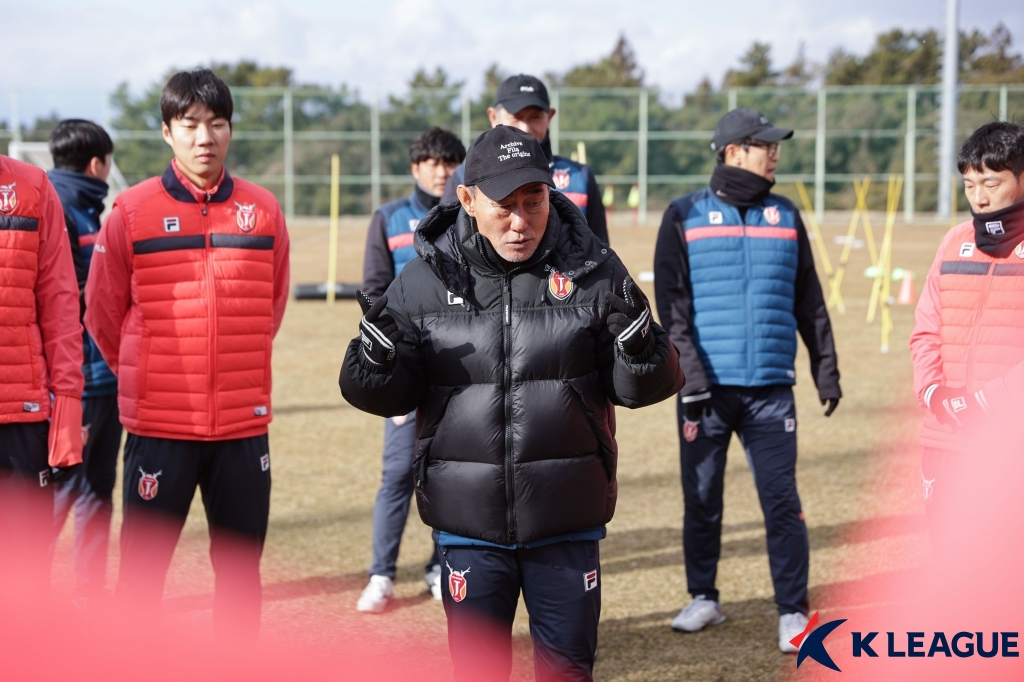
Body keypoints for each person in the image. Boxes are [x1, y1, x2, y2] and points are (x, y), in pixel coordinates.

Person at [340, 125, 683, 682]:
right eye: (504, 206)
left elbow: (640, 388)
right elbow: (387, 396)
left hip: (566, 520)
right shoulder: (422, 281)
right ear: (468, 200)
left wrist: (643, 349)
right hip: (468, 527)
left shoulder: (596, 271)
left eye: (534, 201)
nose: (520, 221)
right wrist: (374, 364)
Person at [85, 69, 290, 636]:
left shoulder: (264, 210)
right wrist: (146, 372)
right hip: (160, 427)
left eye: (217, 124)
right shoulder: (130, 211)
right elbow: (101, 313)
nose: (205, 138)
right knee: (141, 579)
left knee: (241, 577)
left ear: (231, 130)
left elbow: (269, 307)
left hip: (242, 428)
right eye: (190, 124)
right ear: (167, 132)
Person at [653, 108, 841, 652]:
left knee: (782, 500)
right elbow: (672, 305)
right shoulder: (683, 214)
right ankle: (704, 597)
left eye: (776, 145)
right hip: (704, 392)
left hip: (771, 392)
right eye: (766, 145)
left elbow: (810, 299)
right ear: (734, 151)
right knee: (702, 498)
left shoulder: (786, 214)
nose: (775, 153)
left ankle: (792, 611)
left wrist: (825, 369)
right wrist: (690, 376)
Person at [357, 127, 466, 612]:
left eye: (449, 162)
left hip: (459, 370)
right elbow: (374, 297)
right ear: (415, 167)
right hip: (407, 370)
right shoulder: (388, 218)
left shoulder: (467, 214)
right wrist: (394, 378)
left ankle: (440, 567)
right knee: (399, 473)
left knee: (451, 474)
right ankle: (381, 575)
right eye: (432, 162)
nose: (441, 171)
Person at [909, 122, 1024, 550]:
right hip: (946, 437)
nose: (979, 197)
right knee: (950, 563)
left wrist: (986, 401)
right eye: (969, 184)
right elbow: (925, 329)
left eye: (992, 183)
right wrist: (933, 391)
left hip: (1010, 442)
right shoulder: (954, 241)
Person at [0, 152, 84, 589]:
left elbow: (60, 301)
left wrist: (67, 402)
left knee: (26, 579)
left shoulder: (32, 186)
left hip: (20, 413)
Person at [47, 119, 122, 608]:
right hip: (77, 379)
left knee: (96, 484)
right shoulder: (60, 211)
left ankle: (89, 595)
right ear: (97, 164)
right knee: (65, 486)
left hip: (101, 376)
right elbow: (61, 296)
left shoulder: (88, 210)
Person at [441, 74, 608, 244]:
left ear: (549, 117)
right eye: (516, 117)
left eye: (535, 117)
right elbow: (448, 247)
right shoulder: (464, 177)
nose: (525, 127)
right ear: (493, 117)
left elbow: (598, 248)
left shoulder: (581, 176)